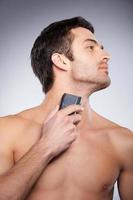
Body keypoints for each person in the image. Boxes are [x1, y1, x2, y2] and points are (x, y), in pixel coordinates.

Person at [0, 16, 133, 200]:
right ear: (61, 61)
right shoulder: (6, 130)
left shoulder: (123, 141)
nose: (106, 55)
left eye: (101, 48)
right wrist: (46, 146)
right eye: (91, 47)